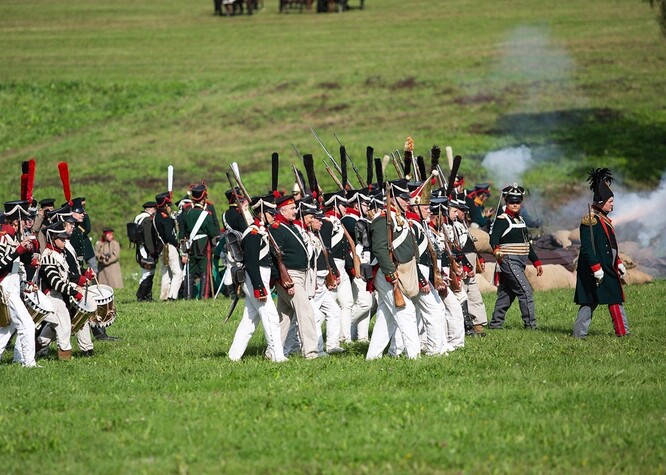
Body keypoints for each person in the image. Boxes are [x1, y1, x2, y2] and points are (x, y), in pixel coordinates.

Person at [228, 195, 286, 362]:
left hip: (260, 276)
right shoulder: (253, 233)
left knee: (250, 320)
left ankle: (233, 355)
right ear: (261, 213)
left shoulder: (260, 230)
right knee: (271, 317)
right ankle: (277, 355)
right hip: (255, 278)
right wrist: (259, 287)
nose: (274, 215)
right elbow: (252, 263)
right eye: (270, 212)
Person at [573, 168, 629, 338]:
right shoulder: (590, 220)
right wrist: (596, 268)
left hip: (606, 265)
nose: (612, 204)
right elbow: (588, 248)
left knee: (610, 298)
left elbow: (609, 244)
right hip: (595, 267)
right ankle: (580, 334)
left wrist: (617, 261)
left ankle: (621, 332)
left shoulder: (603, 218)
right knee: (590, 300)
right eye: (610, 201)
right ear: (601, 201)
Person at [268, 194, 320, 359]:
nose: (295, 211)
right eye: (291, 208)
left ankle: (272, 351)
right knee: (305, 311)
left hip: (301, 275)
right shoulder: (276, 228)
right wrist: (285, 281)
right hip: (289, 277)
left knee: (284, 318)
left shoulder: (291, 226)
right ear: (282, 210)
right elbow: (276, 257)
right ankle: (311, 351)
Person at [488, 185, 543, 329]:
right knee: (525, 291)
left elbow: (527, 244)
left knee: (508, 293)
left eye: (517, 202)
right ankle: (530, 325)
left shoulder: (521, 220)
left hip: (521, 261)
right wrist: (497, 250)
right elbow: (493, 238)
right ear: (506, 201)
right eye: (512, 201)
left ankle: (495, 324)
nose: (514, 204)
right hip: (509, 260)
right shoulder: (502, 219)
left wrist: (536, 262)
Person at [0, 200, 38, 367]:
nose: (26, 223)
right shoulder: (2, 238)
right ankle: (28, 363)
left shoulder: (14, 238)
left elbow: (19, 266)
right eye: (23, 220)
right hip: (5, 288)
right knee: (27, 324)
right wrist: (18, 250)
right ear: (15, 221)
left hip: (14, 287)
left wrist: (27, 253)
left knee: (7, 329)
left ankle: (21, 359)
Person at [180, 184, 218, 299]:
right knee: (204, 271)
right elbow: (212, 232)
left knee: (190, 271)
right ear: (202, 198)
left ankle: (188, 295)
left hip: (191, 245)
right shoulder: (206, 215)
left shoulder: (187, 213)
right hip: (203, 245)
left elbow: (184, 229)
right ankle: (203, 296)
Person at [154, 192, 183, 301]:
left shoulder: (156, 217)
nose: (170, 207)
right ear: (165, 206)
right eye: (169, 205)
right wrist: (177, 244)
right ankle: (172, 296)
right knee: (178, 273)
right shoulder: (165, 218)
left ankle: (164, 296)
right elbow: (170, 235)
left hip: (161, 247)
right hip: (169, 247)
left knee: (165, 273)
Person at [135, 201, 159, 302]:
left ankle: (147, 296)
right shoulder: (147, 220)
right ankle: (142, 296)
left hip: (140, 249)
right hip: (145, 250)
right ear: (152, 209)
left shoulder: (138, 217)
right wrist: (153, 251)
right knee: (148, 273)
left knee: (147, 273)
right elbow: (148, 238)